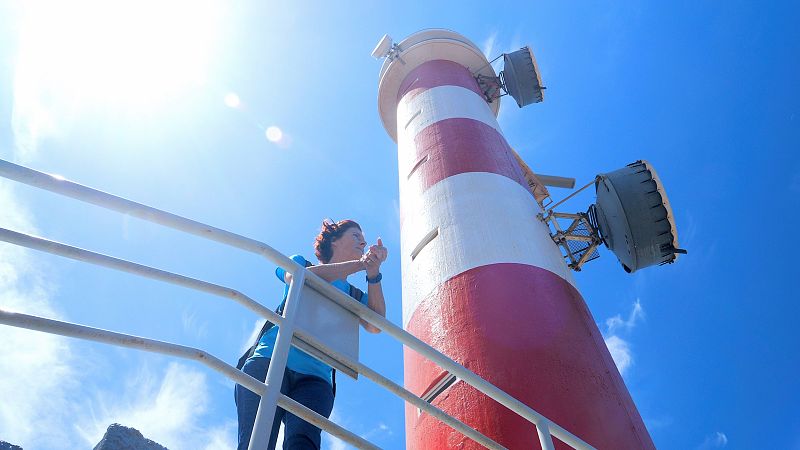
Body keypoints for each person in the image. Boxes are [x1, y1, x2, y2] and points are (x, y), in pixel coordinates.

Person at [235, 219, 387, 450]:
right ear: (333, 239)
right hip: (270, 359)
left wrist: (373, 273)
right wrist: (360, 264)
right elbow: (298, 276)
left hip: (316, 380)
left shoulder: (355, 296)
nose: (363, 241)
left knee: (303, 445)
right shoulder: (299, 262)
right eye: (356, 235)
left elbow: (376, 325)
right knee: (256, 442)